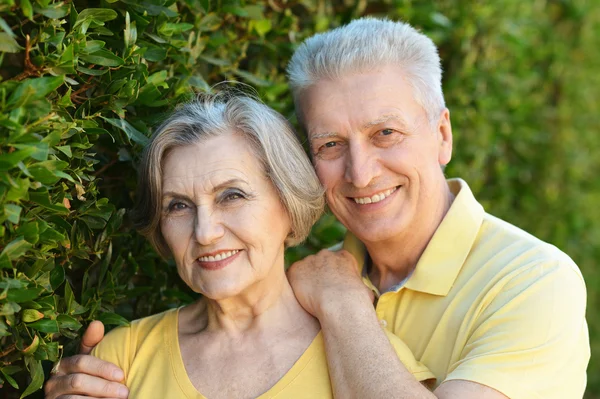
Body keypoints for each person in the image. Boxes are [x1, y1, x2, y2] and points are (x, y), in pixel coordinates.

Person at [45, 17, 590, 399]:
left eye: (386, 133)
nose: (361, 172)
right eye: (330, 144)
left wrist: (343, 303)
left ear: (442, 134)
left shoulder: (531, 282)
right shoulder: (300, 280)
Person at [44, 93, 434, 399]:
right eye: (178, 206)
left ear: (287, 202)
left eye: (231, 196)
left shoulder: (364, 358)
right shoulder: (120, 360)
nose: (205, 232)